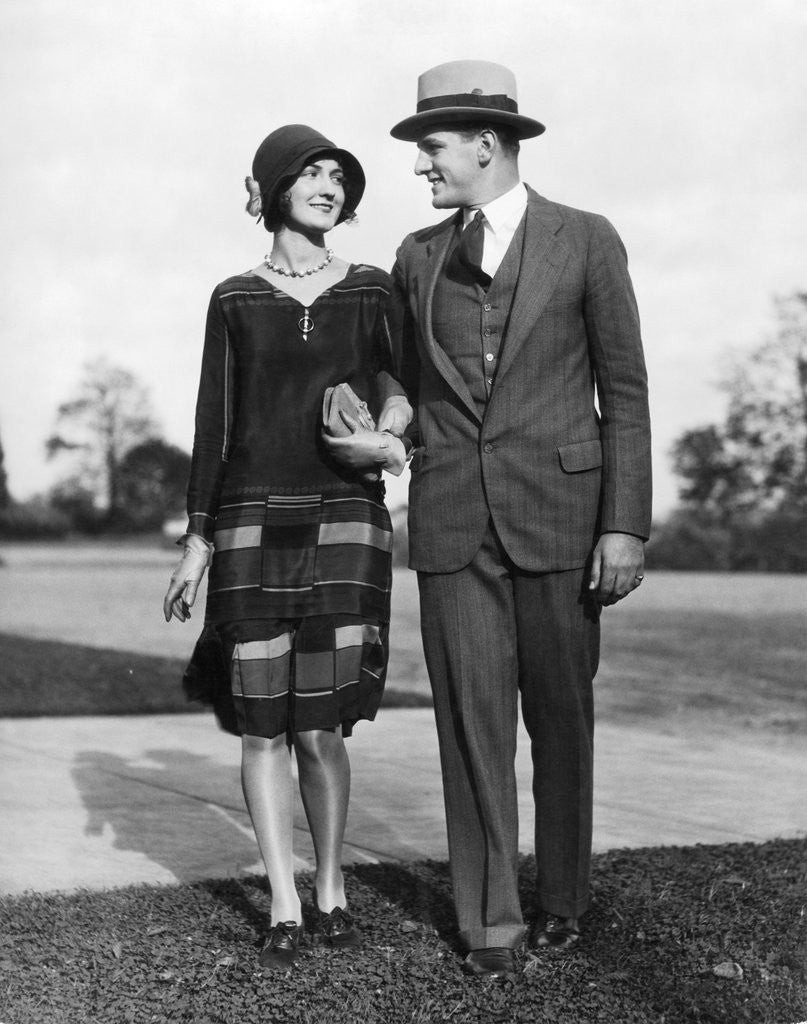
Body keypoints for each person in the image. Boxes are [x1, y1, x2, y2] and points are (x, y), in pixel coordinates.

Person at [386, 61, 652, 979]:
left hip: (564, 519)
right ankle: (489, 919)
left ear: (486, 145)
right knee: (470, 724)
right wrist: (378, 421)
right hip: (452, 519)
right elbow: (403, 381)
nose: (421, 167)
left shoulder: (584, 239)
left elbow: (623, 390)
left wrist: (624, 525)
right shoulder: (417, 255)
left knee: (561, 719)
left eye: (432, 149)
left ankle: (562, 900)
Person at [163, 124, 411, 972]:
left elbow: (400, 385)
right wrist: (198, 539)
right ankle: (282, 900)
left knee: (319, 727)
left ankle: (331, 883)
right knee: (261, 725)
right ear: (271, 188)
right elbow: (213, 422)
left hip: (347, 516)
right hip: (247, 520)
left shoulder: (373, 290)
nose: (328, 186)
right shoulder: (234, 297)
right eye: (310, 173)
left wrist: (387, 432)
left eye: (338, 176)